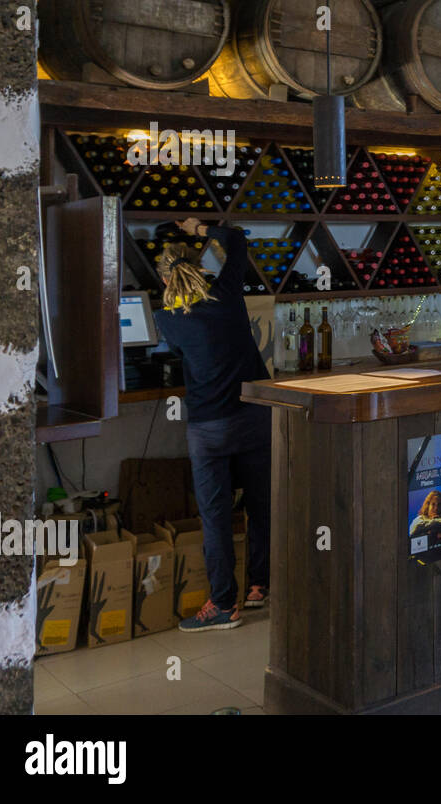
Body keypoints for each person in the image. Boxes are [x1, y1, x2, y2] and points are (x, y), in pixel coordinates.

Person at [152, 218, 272, 632]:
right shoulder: (228, 294)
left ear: (167, 281)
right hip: (256, 415)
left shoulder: (168, 318)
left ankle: (224, 605)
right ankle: (260, 586)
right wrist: (198, 227)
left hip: (210, 428)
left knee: (216, 517)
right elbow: (237, 239)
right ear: (201, 270)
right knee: (261, 506)